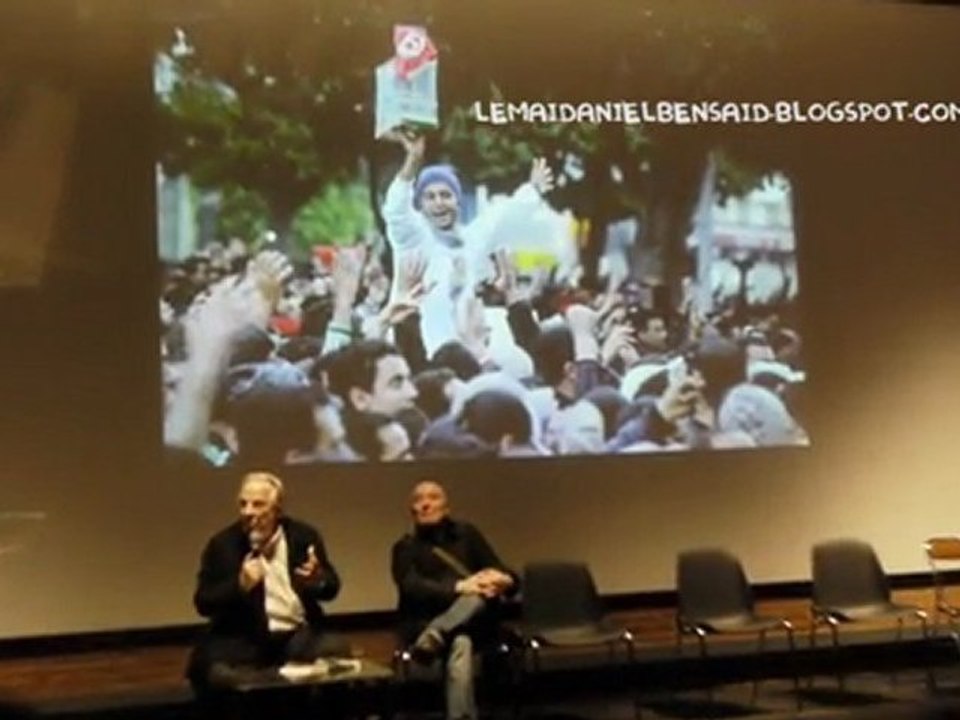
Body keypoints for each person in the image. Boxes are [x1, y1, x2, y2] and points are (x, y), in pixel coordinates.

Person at [382, 131, 555, 356]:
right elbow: (396, 209)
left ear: (458, 200)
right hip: (413, 351)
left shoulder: (471, 239)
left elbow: (504, 215)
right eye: (430, 197)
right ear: (420, 205)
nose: (439, 203)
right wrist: (412, 162)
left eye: (446, 195)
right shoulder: (413, 236)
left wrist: (533, 189)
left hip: (460, 353)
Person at [187, 472, 344, 689]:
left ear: (277, 509)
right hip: (244, 638)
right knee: (212, 667)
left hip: (296, 633)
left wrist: (317, 580)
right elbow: (203, 602)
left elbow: (332, 588)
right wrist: (240, 585)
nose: (248, 512)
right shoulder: (223, 544)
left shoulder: (302, 537)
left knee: (339, 653)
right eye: (243, 504)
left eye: (258, 504)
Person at [391, 481, 517, 720]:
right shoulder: (405, 548)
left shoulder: (467, 535)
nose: (426, 504)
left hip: (475, 623)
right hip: (423, 622)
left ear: (447, 508)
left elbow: (498, 568)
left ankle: (438, 633)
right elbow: (411, 587)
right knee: (461, 641)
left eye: (433, 498)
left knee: (479, 594)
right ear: (412, 511)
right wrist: (460, 587)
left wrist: (505, 580)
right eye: (419, 500)